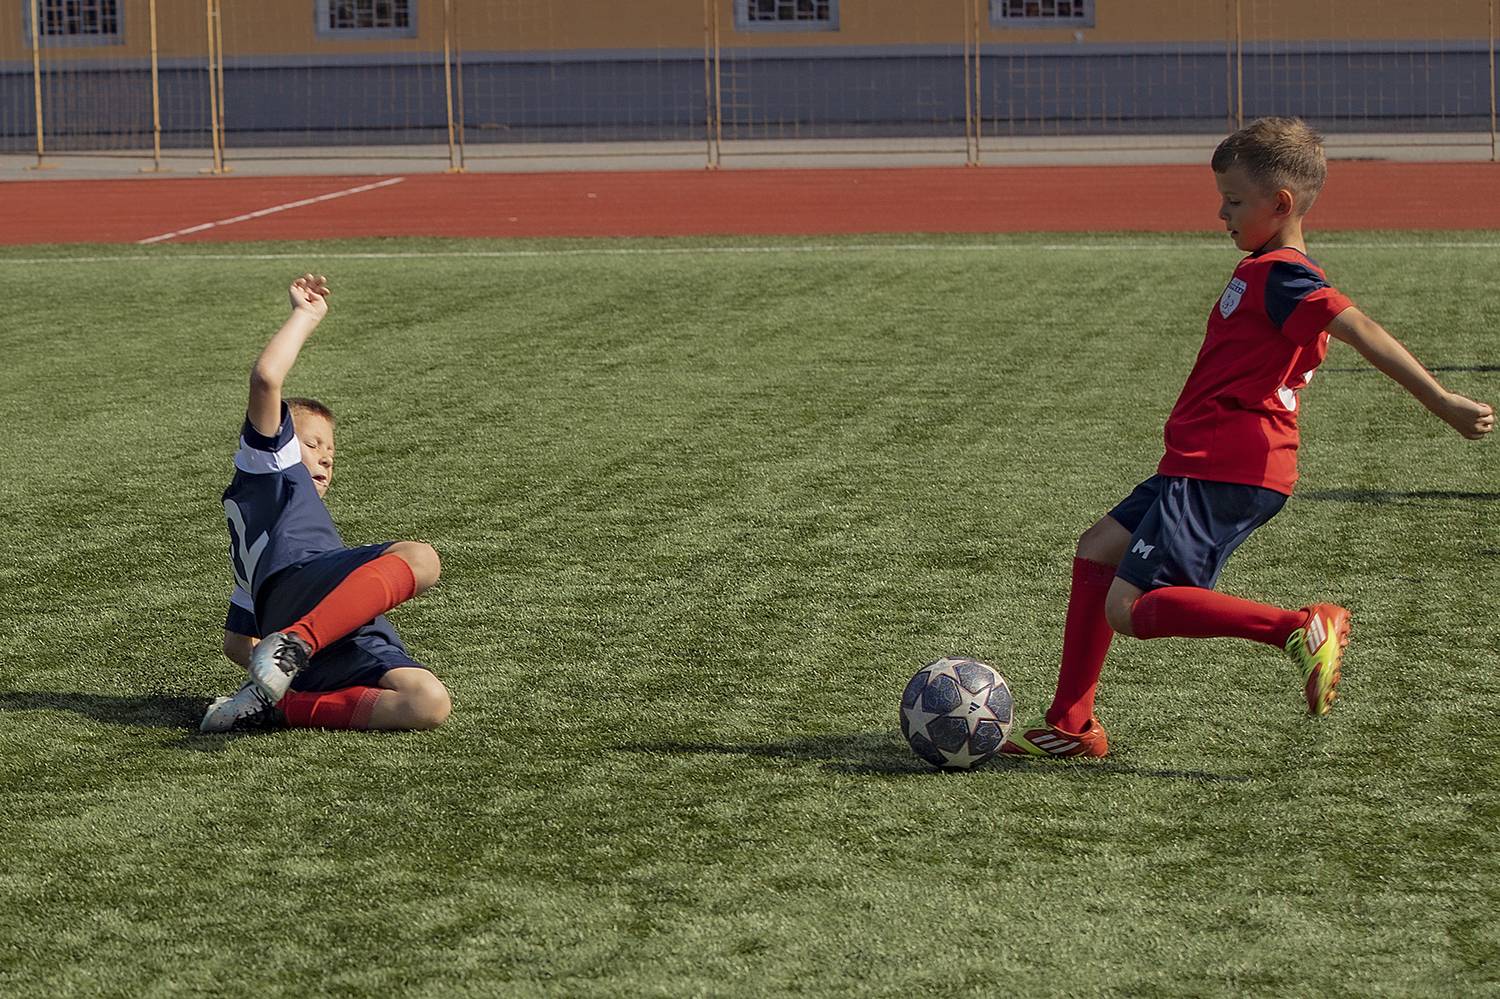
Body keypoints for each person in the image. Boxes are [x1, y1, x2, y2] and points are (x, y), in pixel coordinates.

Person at [1000, 117, 1494, 759]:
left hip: (1226, 463)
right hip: (1200, 459)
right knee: (1097, 549)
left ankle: (1297, 628)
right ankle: (1071, 725)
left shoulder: (1287, 276)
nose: (1221, 213)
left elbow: (1360, 327)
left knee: (1129, 606)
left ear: (1280, 203)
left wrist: (1442, 401)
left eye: (1233, 200)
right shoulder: (1265, 269)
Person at [201, 274, 452, 733]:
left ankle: (277, 706)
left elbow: (237, 643)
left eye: (331, 452)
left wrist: (272, 677)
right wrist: (306, 314)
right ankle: (296, 644)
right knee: (421, 558)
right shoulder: (270, 470)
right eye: (313, 443)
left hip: (331, 631)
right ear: (280, 442)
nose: (325, 457)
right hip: (306, 603)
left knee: (426, 703)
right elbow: (266, 379)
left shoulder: (261, 525)